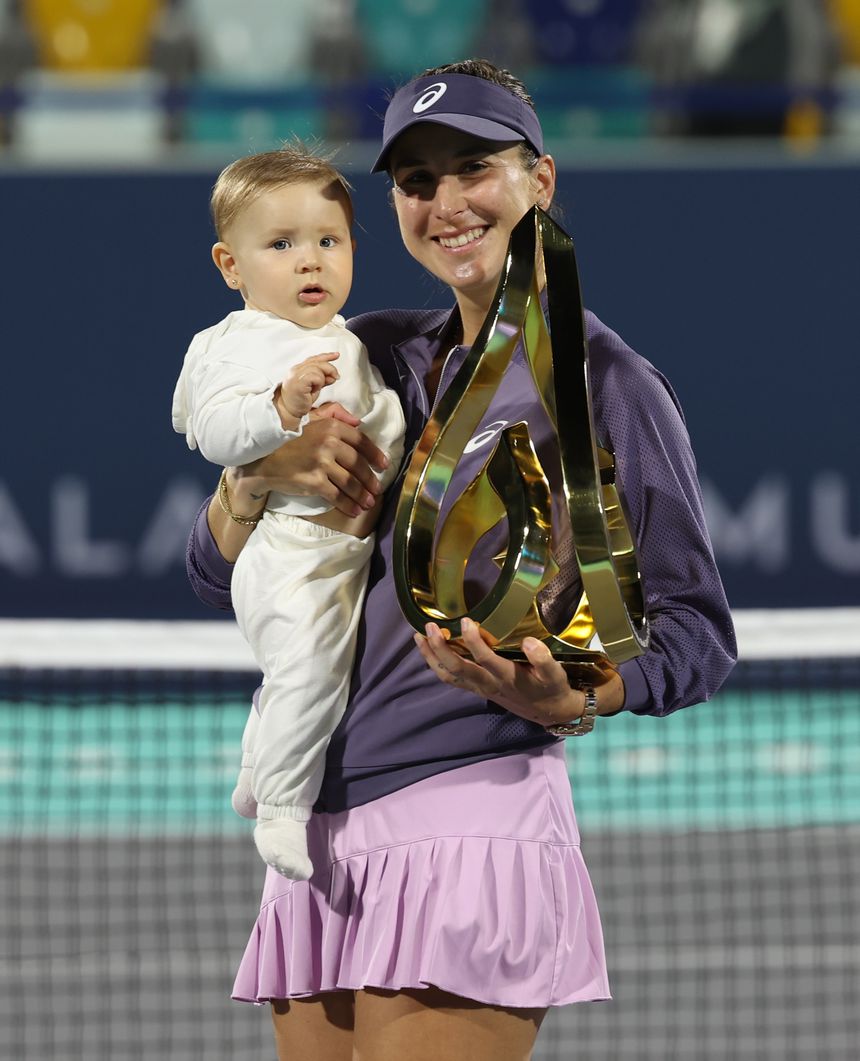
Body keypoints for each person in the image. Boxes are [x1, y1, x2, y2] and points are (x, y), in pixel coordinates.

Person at [185, 59, 736, 1061]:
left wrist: (576, 693)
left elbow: (695, 633)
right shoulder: (370, 354)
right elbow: (211, 571)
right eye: (417, 180)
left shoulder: (605, 383)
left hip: (468, 809)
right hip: (319, 825)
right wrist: (256, 478)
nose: (446, 202)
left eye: (473, 167)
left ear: (540, 180)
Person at [172, 146, 405, 880]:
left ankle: (256, 772)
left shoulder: (345, 338)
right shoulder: (241, 344)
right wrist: (278, 410)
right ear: (230, 266)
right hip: (289, 553)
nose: (310, 261)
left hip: (339, 555)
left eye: (328, 240)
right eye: (281, 245)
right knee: (309, 671)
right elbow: (213, 430)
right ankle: (280, 807)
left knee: (306, 671)